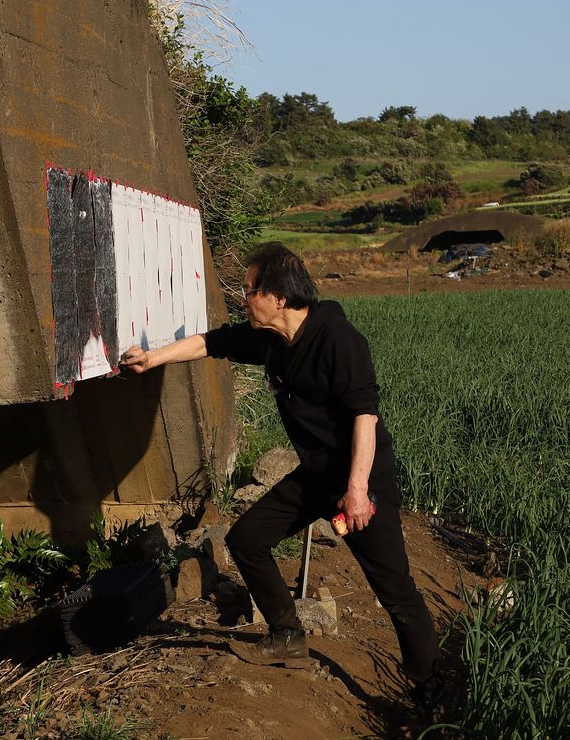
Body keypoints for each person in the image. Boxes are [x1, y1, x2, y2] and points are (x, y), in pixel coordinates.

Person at [120, 242, 441, 708]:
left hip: (361, 479)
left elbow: (364, 418)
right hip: (315, 476)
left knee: (395, 592)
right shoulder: (272, 339)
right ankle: (287, 635)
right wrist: (152, 358)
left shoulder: (338, 339)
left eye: (250, 290)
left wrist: (356, 492)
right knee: (247, 539)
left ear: (280, 298)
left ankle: (432, 690)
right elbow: (211, 342)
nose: (243, 297)